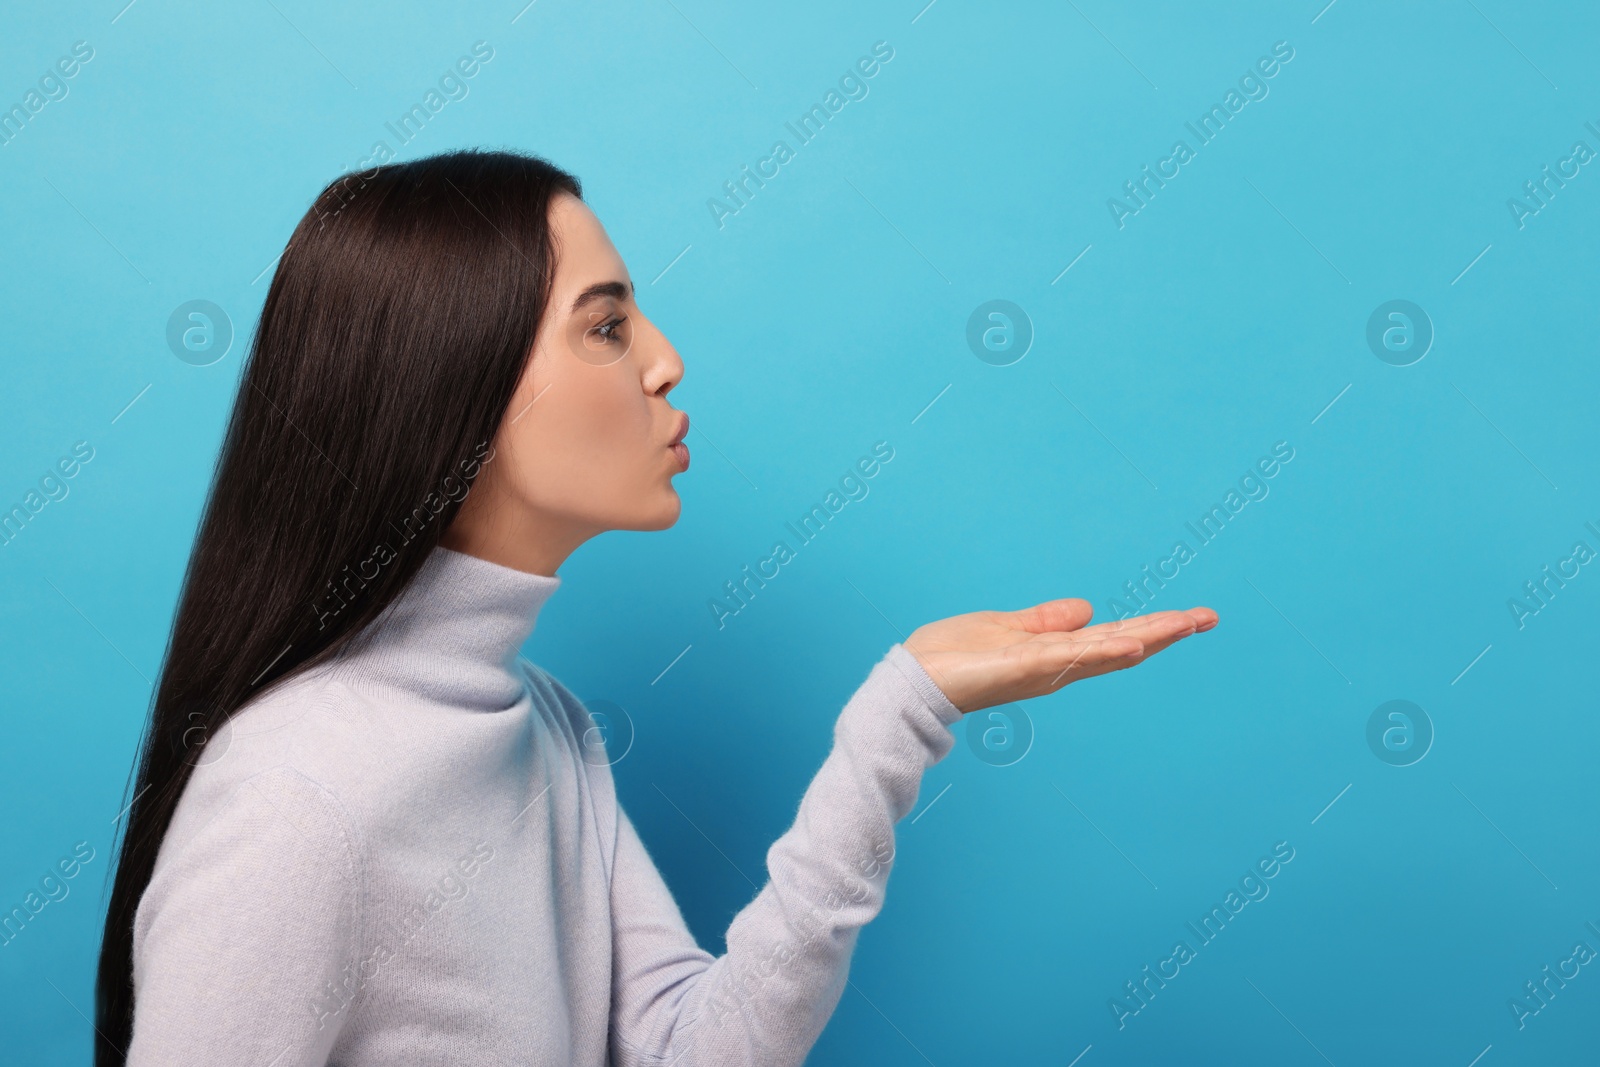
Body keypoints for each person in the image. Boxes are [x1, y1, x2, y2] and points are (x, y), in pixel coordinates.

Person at [96, 148, 1217, 1066]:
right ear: (456, 380)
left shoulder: (541, 724)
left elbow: (696, 1050)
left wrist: (903, 707)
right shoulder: (295, 795)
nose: (666, 363)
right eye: (606, 325)